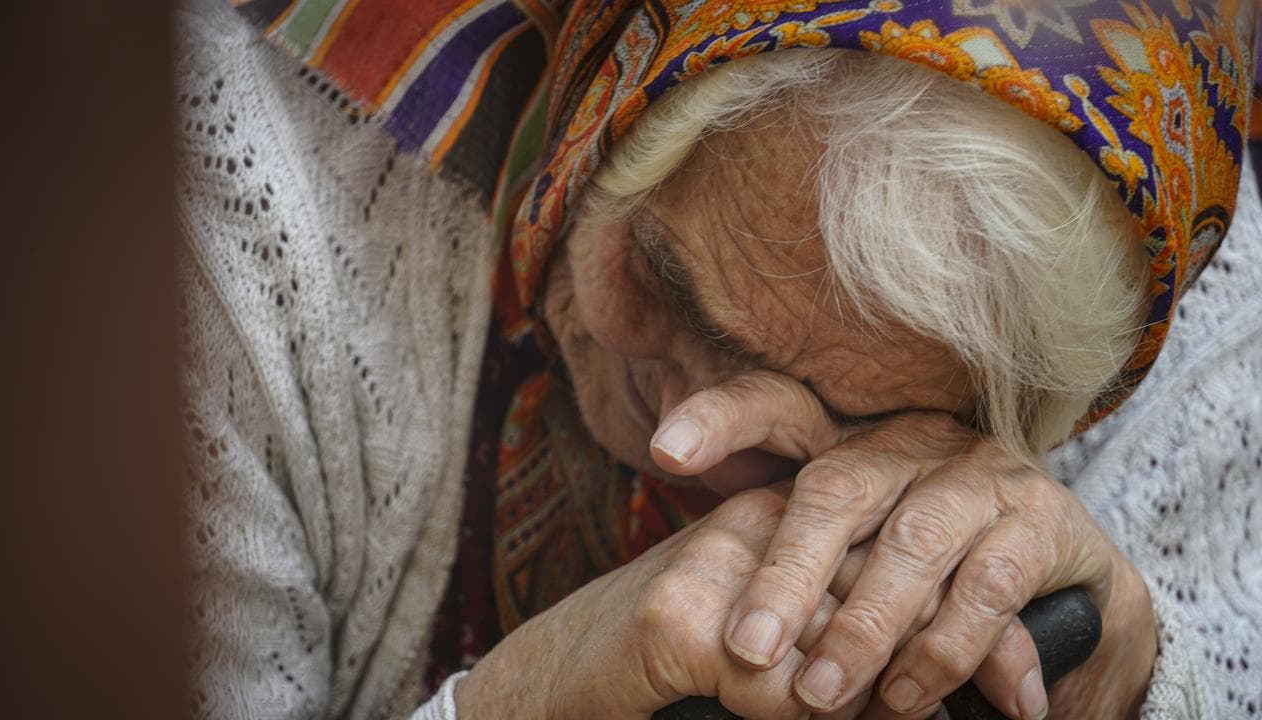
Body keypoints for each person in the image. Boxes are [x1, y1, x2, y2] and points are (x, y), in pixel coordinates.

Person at [177, 0, 1261, 718]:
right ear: (611, 84)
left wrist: (1125, 669)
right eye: (664, 277)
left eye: (844, 426)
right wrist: (523, 700)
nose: (680, 437)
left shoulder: (1176, 285)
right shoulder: (216, 188)